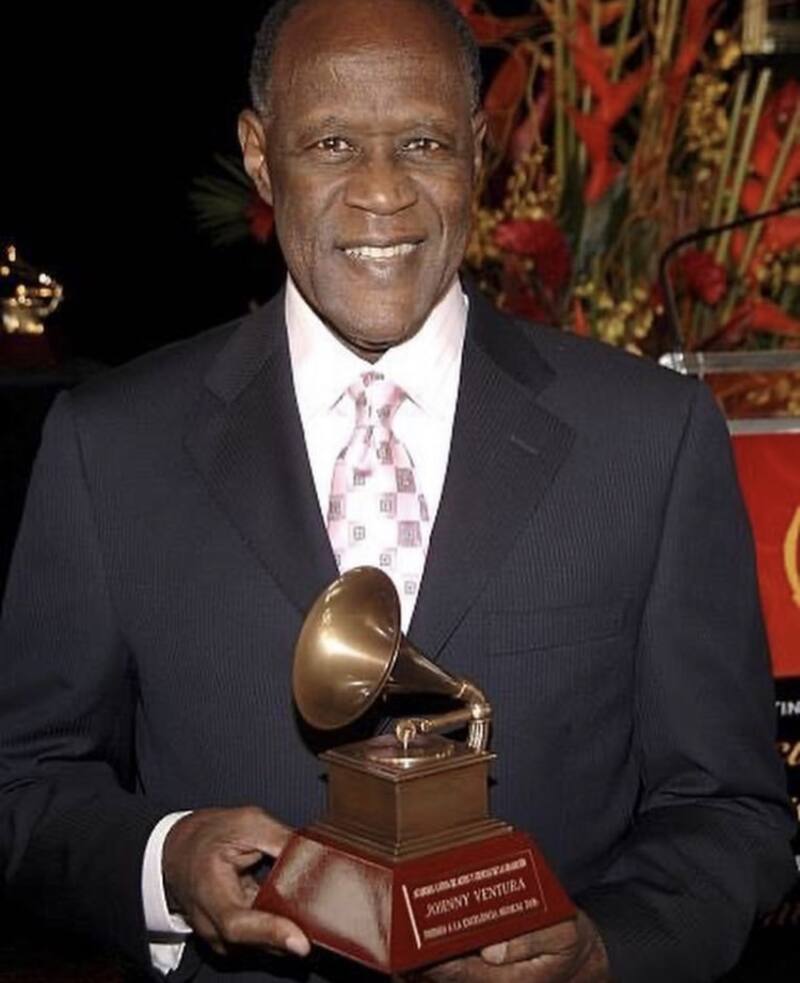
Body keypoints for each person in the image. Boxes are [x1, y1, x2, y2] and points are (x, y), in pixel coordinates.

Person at [0, 0, 796, 981]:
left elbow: (728, 809)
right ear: (259, 157)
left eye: (422, 143)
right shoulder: (110, 446)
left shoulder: (649, 438)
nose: (381, 193)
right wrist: (163, 862)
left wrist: (604, 947)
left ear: (478, 152)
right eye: (330, 143)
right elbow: (25, 780)